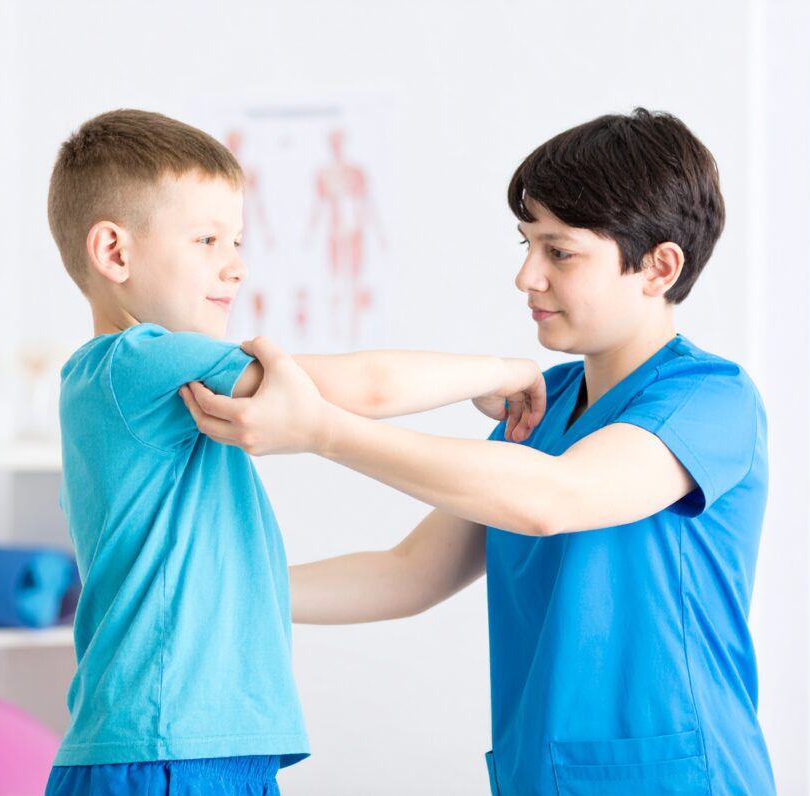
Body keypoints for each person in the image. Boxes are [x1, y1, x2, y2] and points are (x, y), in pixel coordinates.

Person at [182, 108, 777, 795]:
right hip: (541, 774)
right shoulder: (545, 407)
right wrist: (219, 589)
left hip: (677, 778)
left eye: (560, 251)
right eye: (526, 244)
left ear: (658, 266)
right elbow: (409, 573)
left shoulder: (712, 399)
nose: (527, 276)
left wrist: (324, 431)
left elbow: (556, 498)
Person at [44, 108, 547, 796]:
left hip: (203, 744)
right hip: (166, 748)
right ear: (115, 253)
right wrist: (501, 371)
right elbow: (359, 387)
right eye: (207, 239)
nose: (237, 265)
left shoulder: (134, 379)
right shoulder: (135, 362)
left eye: (238, 239)